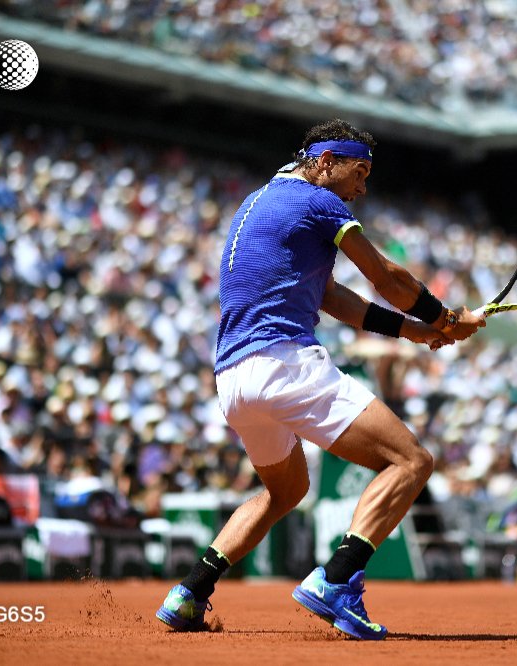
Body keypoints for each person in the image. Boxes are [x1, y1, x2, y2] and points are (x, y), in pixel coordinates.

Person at [156, 119, 485, 639]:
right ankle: (336, 580)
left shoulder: (259, 203)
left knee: (284, 492)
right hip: (285, 364)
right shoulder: (318, 202)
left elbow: (332, 297)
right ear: (325, 162)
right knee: (411, 460)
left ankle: (191, 591)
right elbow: (385, 276)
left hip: (233, 381)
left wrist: (415, 332)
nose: (362, 187)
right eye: (358, 173)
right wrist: (443, 317)